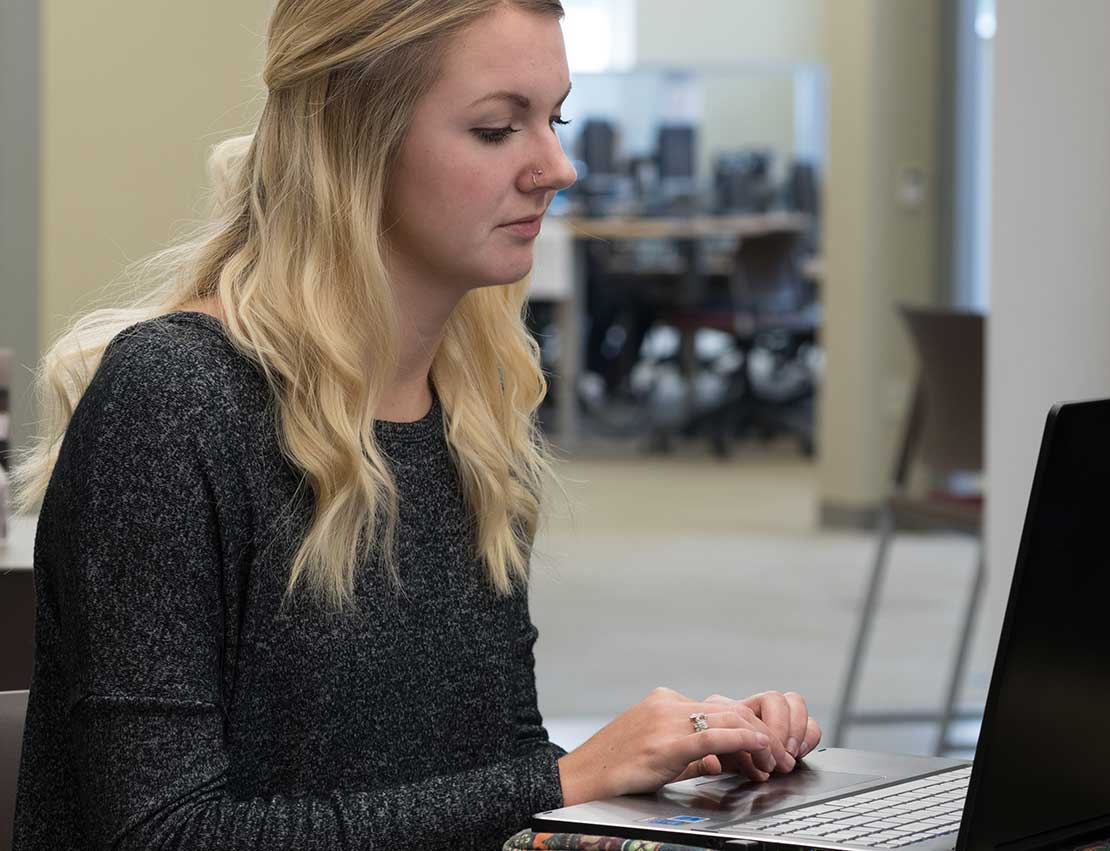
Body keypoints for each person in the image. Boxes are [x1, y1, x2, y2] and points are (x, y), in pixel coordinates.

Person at [9, 1, 822, 849]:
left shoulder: (470, 407)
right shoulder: (175, 399)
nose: (559, 166)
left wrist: (675, 771)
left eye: (556, 118)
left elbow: (489, 776)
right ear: (353, 139)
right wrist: (571, 776)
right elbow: (164, 833)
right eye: (497, 129)